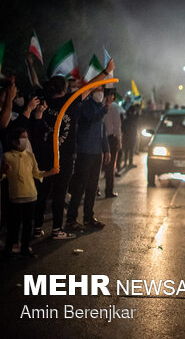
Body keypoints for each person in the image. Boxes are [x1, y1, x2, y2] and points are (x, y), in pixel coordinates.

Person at [31, 58, 114, 239]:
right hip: (64, 156)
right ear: (64, 90)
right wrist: (106, 73)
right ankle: (56, 230)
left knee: (42, 193)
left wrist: (31, 65)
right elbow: (90, 87)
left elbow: (35, 82)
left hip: (43, 155)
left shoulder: (43, 99)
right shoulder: (69, 102)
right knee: (59, 193)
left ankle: (37, 228)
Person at [2, 127, 58, 258]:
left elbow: (36, 173)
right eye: (23, 137)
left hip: (31, 195)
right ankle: (9, 249)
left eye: (27, 137)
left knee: (28, 225)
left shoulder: (30, 156)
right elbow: (3, 175)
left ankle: (25, 248)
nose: (25, 140)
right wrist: (4, 170)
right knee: (14, 225)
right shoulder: (7, 156)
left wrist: (50, 172)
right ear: (15, 141)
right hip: (15, 196)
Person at [65, 86, 111, 231]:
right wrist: (105, 108)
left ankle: (88, 217)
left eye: (102, 90)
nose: (100, 93)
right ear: (91, 91)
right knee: (79, 187)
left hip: (97, 152)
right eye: (98, 89)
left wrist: (106, 149)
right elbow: (90, 119)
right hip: (85, 152)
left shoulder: (99, 107)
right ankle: (71, 219)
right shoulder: (84, 105)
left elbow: (102, 131)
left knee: (92, 187)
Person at [103, 89, 122, 197]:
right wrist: (119, 140)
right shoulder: (114, 107)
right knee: (110, 167)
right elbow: (117, 126)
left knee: (99, 166)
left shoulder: (99, 104)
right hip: (110, 139)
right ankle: (108, 191)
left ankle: (96, 190)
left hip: (101, 138)